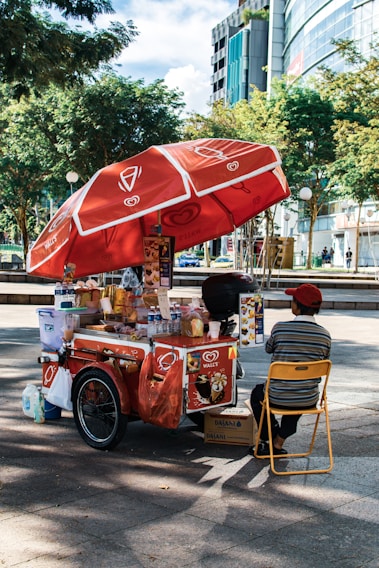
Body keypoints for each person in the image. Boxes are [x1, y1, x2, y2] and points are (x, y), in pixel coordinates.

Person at [249, 283, 331, 456]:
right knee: (299, 392)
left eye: (293, 301)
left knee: (257, 395)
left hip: (276, 396)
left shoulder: (280, 328)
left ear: (298, 306)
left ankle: (267, 436)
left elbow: (268, 349)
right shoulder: (325, 335)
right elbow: (324, 360)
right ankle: (279, 442)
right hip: (308, 398)